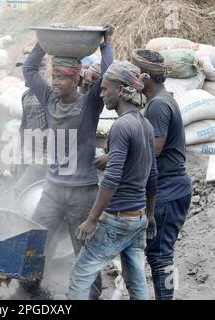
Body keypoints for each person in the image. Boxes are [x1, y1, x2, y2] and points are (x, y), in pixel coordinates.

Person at [22, 24, 115, 299]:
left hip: (82, 192)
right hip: (52, 189)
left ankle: (93, 297)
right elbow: (29, 71)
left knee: (85, 251)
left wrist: (106, 44)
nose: (54, 82)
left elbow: (107, 75)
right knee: (36, 241)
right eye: (53, 77)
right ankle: (30, 291)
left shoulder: (88, 105)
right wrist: (42, 43)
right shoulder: (49, 99)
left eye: (61, 78)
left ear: (74, 80)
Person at [68, 61, 158, 300]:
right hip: (137, 217)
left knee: (80, 275)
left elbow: (112, 178)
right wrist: (149, 215)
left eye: (105, 88)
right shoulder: (145, 124)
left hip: (117, 219)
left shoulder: (121, 126)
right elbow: (152, 174)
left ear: (120, 90)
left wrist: (91, 219)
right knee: (137, 281)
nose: (101, 93)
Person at [131, 49, 193, 300]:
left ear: (145, 77)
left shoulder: (158, 105)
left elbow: (153, 149)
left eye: (134, 74)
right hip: (170, 188)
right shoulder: (161, 100)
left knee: (161, 255)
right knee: (159, 253)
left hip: (169, 189)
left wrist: (117, 158)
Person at [14, 48, 49, 197]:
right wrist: (19, 154)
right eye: (23, 69)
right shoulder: (26, 96)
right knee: (24, 190)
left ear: (41, 70)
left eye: (27, 69)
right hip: (29, 153)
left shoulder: (50, 93)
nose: (24, 73)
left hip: (46, 155)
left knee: (21, 189)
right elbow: (24, 127)